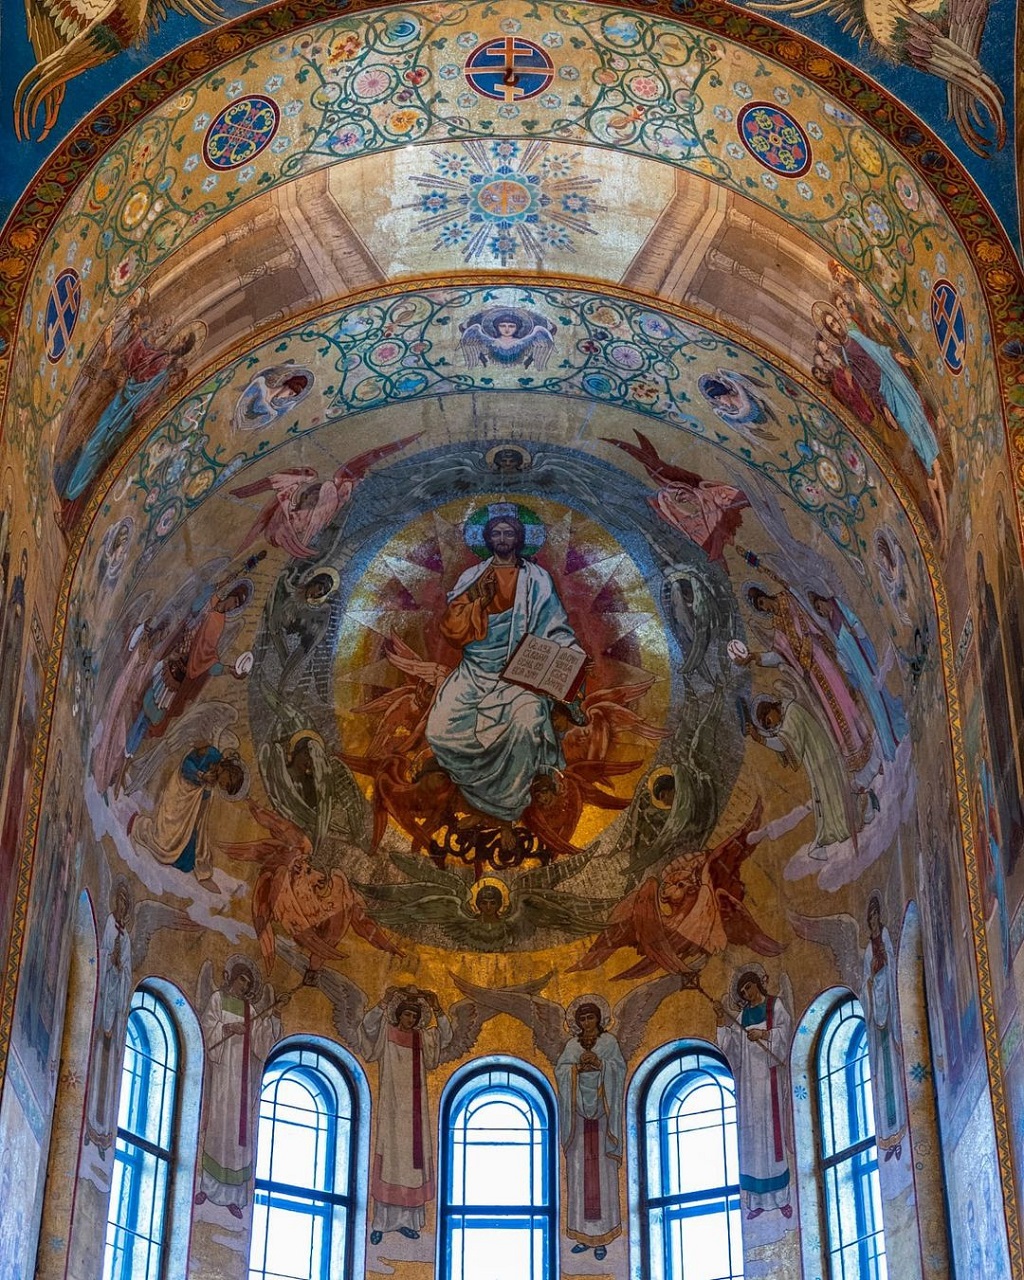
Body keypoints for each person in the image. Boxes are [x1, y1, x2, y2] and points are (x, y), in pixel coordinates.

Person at [425, 513, 581, 828]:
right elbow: (452, 629)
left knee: (527, 721)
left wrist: (571, 655)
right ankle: (475, 794)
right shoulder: (472, 577)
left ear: (519, 538)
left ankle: (506, 808)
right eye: (496, 533)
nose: (502, 539)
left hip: (520, 673)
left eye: (508, 533)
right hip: (475, 670)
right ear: (487, 539)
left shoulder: (537, 579)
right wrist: (478, 604)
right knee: (439, 731)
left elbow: (555, 626)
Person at [359, 987, 453, 1244]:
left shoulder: (422, 1038)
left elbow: (447, 1035)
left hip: (415, 1113)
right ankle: (380, 1223)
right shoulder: (386, 1032)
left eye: (414, 1016)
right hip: (391, 1110)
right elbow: (367, 1026)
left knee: (413, 1165)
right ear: (399, 1014)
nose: (410, 1020)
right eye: (407, 1015)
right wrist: (383, 1001)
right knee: (389, 1162)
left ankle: (408, 1223)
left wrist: (437, 1008)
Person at [195, 957, 283, 1218]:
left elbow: (262, 1042)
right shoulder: (217, 1000)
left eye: (248, 983)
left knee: (238, 1136)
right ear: (232, 977)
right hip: (223, 1077)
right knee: (218, 1130)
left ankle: (234, 1197)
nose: (244, 985)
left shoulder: (249, 1009)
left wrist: (275, 1016)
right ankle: (207, 1188)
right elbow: (205, 1030)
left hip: (242, 1082)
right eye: (241, 979)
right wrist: (226, 1029)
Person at [714, 968, 793, 1220]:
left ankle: (782, 1200)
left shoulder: (774, 1006)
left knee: (772, 1138)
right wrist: (721, 1020)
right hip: (749, 1088)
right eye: (742, 991)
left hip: (769, 1082)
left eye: (748, 987)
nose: (746, 993)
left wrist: (764, 1034)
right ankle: (756, 1201)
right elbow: (731, 1049)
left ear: (756, 984)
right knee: (753, 1142)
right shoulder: (743, 1016)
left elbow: (785, 1033)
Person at [554, 1000, 627, 1258]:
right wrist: (576, 1069)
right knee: (578, 1176)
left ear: (598, 1019)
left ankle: (603, 1238)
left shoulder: (609, 1043)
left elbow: (619, 1069)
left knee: (603, 1176)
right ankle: (582, 1235)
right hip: (578, 1121)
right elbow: (561, 1072)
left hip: (602, 1117)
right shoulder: (572, 1047)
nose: (586, 1023)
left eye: (590, 1018)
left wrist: (600, 1064)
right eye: (582, 1019)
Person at [129, 745, 244, 888]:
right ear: (230, 773)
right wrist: (200, 775)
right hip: (180, 790)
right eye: (226, 784)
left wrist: (201, 809)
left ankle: (184, 858)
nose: (222, 786)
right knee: (166, 838)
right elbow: (186, 765)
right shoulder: (210, 753)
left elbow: (205, 794)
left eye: (225, 787)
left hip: (193, 801)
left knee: (190, 840)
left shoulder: (215, 777)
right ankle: (140, 826)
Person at [84, 880, 134, 1149]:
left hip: (115, 1006)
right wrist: (109, 960)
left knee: (108, 1064)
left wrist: (119, 966)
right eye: (120, 901)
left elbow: (127, 971)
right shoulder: (108, 925)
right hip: (104, 999)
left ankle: (102, 1133)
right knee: (95, 1055)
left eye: (126, 904)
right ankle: (88, 1125)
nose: (122, 907)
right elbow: (99, 954)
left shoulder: (126, 937)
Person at [863, 894, 907, 1159]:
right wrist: (871, 985)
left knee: (893, 1063)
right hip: (877, 1013)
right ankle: (888, 1135)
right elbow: (866, 982)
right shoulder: (868, 950)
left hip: (889, 1008)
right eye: (870, 917)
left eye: (875, 915)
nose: (873, 920)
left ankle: (900, 1126)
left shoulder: (886, 938)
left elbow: (892, 965)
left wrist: (882, 975)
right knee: (882, 1069)